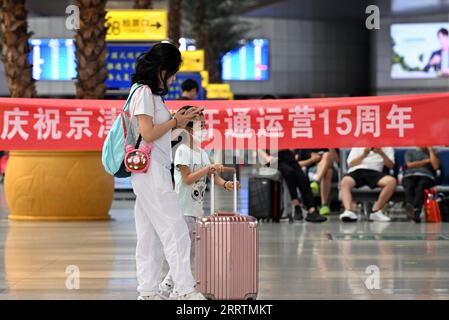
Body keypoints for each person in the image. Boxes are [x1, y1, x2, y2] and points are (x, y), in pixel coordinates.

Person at [129, 42, 206, 300]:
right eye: (173, 71)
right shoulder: (143, 93)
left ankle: (148, 292)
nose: (174, 78)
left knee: (149, 235)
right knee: (176, 230)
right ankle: (185, 290)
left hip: (152, 170)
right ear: (162, 69)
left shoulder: (151, 96)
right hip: (151, 172)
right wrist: (176, 121)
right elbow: (148, 133)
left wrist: (181, 120)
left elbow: (158, 134)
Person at [159, 106, 241, 298]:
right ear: (187, 128)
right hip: (182, 209)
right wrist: (209, 169)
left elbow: (212, 177)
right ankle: (177, 289)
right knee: (184, 251)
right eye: (200, 125)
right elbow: (187, 179)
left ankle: (167, 286)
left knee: (190, 251)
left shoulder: (203, 153)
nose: (204, 128)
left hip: (196, 211)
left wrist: (226, 183)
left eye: (204, 124)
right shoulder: (182, 151)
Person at [340, 148, 396, 223]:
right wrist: (364, 154)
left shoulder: (387, 147)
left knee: (391, 181)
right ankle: (348, 211)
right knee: (345, 181)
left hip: (375, 172)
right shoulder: (358, 145)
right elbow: (351, 164)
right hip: (357, 171)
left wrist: (381, 153)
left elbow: (391, 166)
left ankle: (376, 211)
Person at [277, 149, 327, 223]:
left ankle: (312, 209)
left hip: (287, 155)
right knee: (289, 172)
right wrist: (265, 156)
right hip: (273, 157)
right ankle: (296, 206)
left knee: (302, 176)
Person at [297, 149, 339, 215]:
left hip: (332, 170)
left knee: (327, 155)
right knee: (328, 172)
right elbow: (297, 164)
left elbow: (337, 161)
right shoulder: (305, 147)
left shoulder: (331, 144)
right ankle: (324, 205)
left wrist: (330, 147)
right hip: (312, 171)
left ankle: (316, 181)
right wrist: (312, 160)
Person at [403, 147, 440, 223]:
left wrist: (430, 150)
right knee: (409, 187)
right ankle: (415, 210)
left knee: (421, 188)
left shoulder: (433, 152)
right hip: (410, 175)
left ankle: (414, 209)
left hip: (426, 176)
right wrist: (427, 161)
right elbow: (409, 165)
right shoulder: (410, 151)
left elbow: (435, 166)